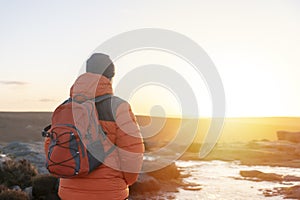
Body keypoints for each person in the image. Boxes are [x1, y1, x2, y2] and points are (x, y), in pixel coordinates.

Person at [45, 53, 144, 200]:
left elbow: (51, 144)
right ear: (111, 77)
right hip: (109, 193)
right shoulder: (118, 107)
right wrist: (126, 181)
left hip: (68, 192)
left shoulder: (66, 106)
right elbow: (132, 152)